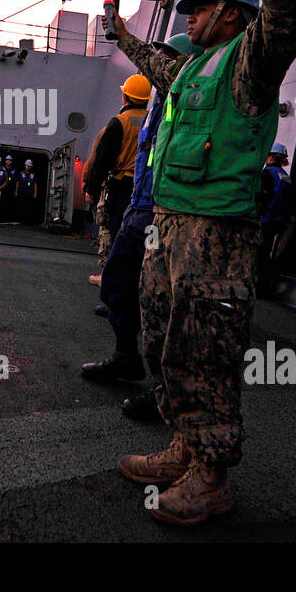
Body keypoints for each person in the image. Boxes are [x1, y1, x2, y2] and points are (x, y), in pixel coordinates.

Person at [108, 0, 296, 526]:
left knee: (206, 345)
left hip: (216, 232)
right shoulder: (192, 66)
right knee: (163, 335)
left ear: (230, 14)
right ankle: (183, 443)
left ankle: (212, 472)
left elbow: (291, 8)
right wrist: (118, 28)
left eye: (197, 9)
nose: (189, 18)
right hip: (168, 225)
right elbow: (151, 57)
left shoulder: (252, 60)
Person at [81, 34, 199, 395]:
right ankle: (126, 356)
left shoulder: (189, 100)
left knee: (160, 298)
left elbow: (102, 157)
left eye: (166, 57)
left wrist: (93, 186)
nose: (158, 63)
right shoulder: (155, 107)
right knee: (117, 281)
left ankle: (167, 389)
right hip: (138, 205)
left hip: (164, 213)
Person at [83, 76, 150, 285]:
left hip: (120, 186)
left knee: (115, 231)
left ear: (125, 98)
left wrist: (91, 189)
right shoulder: (152, 119)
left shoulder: (118, 122)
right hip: (145, 187)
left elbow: (102, 159)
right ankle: (141, 279)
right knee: (147, 235)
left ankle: (110, 279)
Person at [254, 142, 294, 297]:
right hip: (278, 221)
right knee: (267, 252)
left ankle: (259, 287)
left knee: (259, 253)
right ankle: (266, 285)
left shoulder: (267, 174)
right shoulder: (285, 176)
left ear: (270, 156)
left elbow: (261, 197)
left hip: (265, 219)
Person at [15, 158, 39, 224]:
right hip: (22, 192)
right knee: (21, 206)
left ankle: (27, 221)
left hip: (30, 193)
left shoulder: (33, 174)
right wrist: (16, 191)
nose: (28, 167)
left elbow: (35, 183)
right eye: (27, 165)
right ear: (25, 165)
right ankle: (20, 220)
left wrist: (35, 192)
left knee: (29, 207)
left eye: (29, 166)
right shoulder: (21, 173)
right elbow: (18, 182)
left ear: (31, 167)